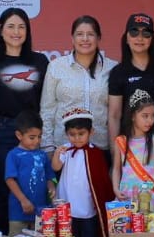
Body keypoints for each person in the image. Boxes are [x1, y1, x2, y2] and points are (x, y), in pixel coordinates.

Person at [0, 8, 48, 229]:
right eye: (10, 26)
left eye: (21, 26)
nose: (16, 32)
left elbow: (45, 102)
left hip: (32, 136)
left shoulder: (40, 61)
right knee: (3, 186)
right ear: (0, 31)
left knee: (33, 188)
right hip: (1, 133)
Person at [51, 107, 115, 237]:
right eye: (72, 134)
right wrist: (57, 155)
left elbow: (100, 182)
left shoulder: (96, 154)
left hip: (87, 208)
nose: (77, 138)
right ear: (66, 134)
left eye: (81, 134)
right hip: (68, 207)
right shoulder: (66, 151)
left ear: (91, 132)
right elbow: (56, 167)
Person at [41, 15, 117, 151]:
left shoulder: (112, 68)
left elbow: (116, 113)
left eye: (90, 34)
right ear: (72, 38)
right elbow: (47, 110)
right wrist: (48, 147)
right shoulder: (56, 66)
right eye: (80, 34)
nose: (85, 39)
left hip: (100, 149)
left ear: (99, 38)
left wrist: (114, 151)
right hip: (63, 148)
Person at [106, 13, 154, 143]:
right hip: (132, 145)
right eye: (134, 32)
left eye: (146, 33)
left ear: (152, 39)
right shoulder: (118, 73)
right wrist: (115, 151)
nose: (140, 38)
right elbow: (114, 116)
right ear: (126, 38)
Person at [111, 90, 154, 208]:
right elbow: (116, 169)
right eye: (145, 116)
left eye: (152, 116)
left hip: (149, 196)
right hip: (126, 195)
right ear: (132, 116)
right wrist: (116, 189)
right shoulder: (121, 141)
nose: (150, 120)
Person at [4, 112, 53, 232]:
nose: (36, 141)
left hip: (41, 212)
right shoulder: (13, 155)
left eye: (39, 136)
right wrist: (23, 200)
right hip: (18, 211)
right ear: (19, 135)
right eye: (32, 137)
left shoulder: (42, 155)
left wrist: (52, 189)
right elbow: (10, 180)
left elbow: (50, 178)